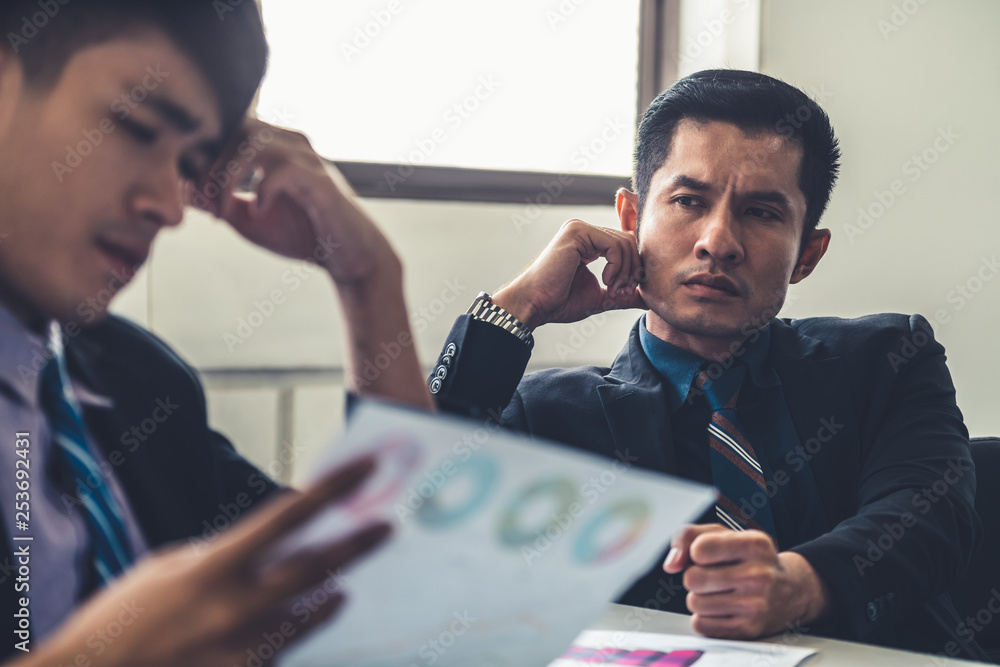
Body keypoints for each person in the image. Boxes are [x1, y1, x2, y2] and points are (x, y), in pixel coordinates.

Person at [429, 69, 984, 658]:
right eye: (689, 201)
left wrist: (797, 585)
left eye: (763, 212)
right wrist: (515, 309)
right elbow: (410, 531)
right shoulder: (547, 415)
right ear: (630, 218)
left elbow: (931, 515)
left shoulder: (888, 361)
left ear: (808, 255)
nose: (718, 240)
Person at [0, 1, 430, 664]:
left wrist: (369, 278)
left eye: (190, 166)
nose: (170, 207)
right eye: (137, 126)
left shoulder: (139, 382)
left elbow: (381, 584)